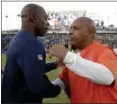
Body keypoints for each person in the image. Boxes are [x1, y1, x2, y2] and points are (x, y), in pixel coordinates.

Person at [1, 4, 64, 103]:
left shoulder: (19, 38)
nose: (48, 23)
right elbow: (38, 86)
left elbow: (30, 69)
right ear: (33, 18)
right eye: (45, 18)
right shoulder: (31, 43)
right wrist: (60, 86)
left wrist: (55, 65)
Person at [49, 17, 117, 103]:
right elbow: (62, 81)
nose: (70, 32)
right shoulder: (75, 56)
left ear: (90, 32)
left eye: (76, 28)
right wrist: (41, 87)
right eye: (70, 28)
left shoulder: (104, 51)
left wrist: (67, 56)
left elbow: (109, 78)